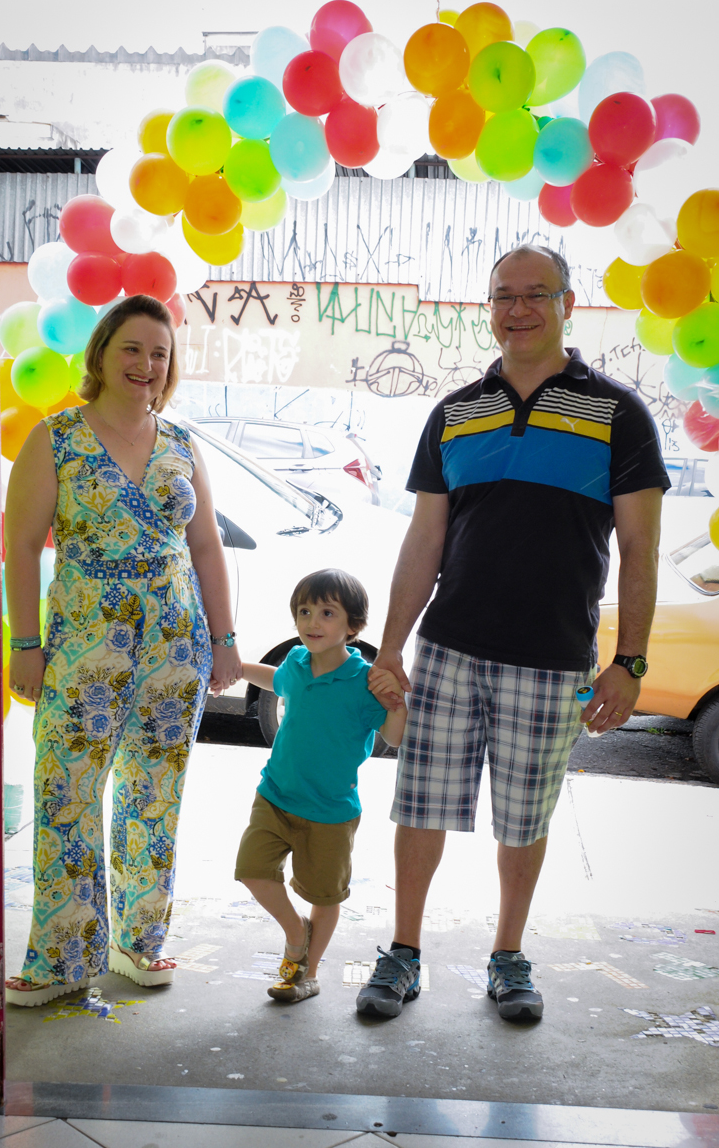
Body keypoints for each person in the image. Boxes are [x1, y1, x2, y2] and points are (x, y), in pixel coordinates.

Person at [357, 245, 670, 1022]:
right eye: (503, 295)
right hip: (448, 649)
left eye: (536, 294)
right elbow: (423, 542)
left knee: (525, 819)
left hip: (552, 658)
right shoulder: (455, 412)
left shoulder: (617, 413)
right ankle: (402, 953)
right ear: (488, 307)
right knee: (420, 807)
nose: (518, 309)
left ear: (567, 304)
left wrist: (629, 662)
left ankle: (507, 956)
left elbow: (640, 550)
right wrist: (391, 644)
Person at [4, 294, 241, 1006]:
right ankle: (61, 957)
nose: (146, 364)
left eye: (159, 354)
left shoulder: (182, 443)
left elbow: (207, 546)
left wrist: (225, 640)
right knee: (66, 790)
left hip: (175, 645)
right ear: (102, 354)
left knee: (153, 792)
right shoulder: (57, 438)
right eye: (132, 349)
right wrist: (26, 644)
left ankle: (139, 941)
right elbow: (21, 546)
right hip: (82, 645)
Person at [231, 569, 407, 1004]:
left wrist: (397, 703)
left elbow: (395, 736)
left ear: (353, 625)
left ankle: (306, 974)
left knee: (324, 896)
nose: (312, 621)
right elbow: (276, 680)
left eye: (327, 613)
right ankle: (296, 933)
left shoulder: (364, 681)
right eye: (305, 611)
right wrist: (237, 669)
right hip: (275, 795)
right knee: (252, 870)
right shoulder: (296, 662)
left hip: (330, 812)